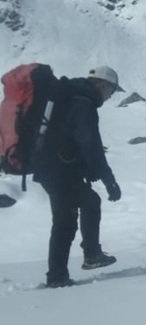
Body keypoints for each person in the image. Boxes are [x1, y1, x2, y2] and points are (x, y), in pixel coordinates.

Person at [34, 66, 125, 288]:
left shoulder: (71, 96)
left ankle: (85, 257)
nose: (109, 96)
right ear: (102, 84)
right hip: (59, 170)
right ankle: (59, 275)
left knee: (87, 203)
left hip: (53, 168)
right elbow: (90, 144)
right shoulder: (82, 103)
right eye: (111, 91)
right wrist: (109, 180)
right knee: (65, 222)